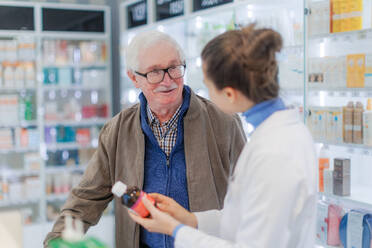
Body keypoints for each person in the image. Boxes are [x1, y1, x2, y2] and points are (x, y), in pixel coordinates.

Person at [43, 31, 246, 248]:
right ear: (134, 78)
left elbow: (249, 195)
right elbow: (86, 199)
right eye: (154, 72)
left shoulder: (223, 121)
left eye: (174, 68)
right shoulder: (117, 130)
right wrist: (57, 240)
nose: (167, 80)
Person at [129, 24, 317, 248]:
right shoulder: (273, 135)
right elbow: (245, 217)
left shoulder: (275, 153)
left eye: (208, 86)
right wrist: (191, 219)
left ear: (229, 93)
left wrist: (175, 230)